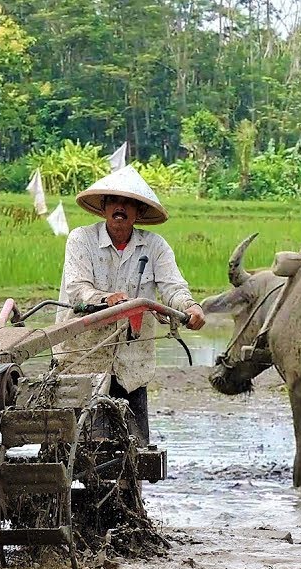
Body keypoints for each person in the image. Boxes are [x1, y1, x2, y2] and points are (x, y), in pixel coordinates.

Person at [54, 166, 205, 444]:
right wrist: (106, 299)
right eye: (113, 201)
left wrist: (189, 306)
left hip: (132, 361)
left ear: (137, 212)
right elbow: (76, 289)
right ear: (103, 208)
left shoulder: (155, 246)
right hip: (82, 356)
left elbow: (172, 286)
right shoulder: (81, 239)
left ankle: (129, 482)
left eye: (128, 203)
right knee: (80, 444)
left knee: (134, 448)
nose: (120, 208)